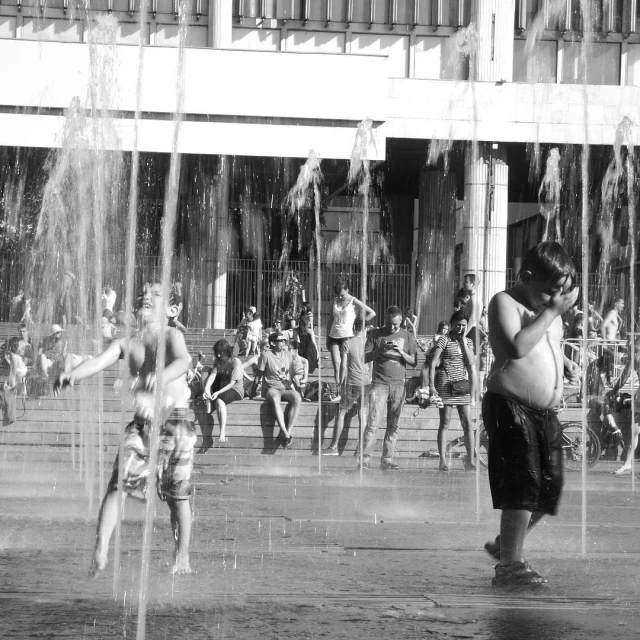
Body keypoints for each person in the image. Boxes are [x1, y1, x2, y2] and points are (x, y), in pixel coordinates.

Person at [53, 282, 195, 576]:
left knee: (176, 495)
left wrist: (162, 374)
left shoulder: (172, 335)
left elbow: (184, 361)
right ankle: (101, 548)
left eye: (156, 294)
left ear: (171, 309)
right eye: (143, 292)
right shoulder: (126, 343)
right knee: (119, 485)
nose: (146, 296)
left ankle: (182, 557)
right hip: (142, 425)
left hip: (176, 423)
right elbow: (97, 362)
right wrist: (73, 375)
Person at [482, 241, 580, 588]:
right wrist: (552, 313)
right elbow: (516, 347)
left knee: (551, 486)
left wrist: (564, 361)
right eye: (549, 293)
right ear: (525, 277)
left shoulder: (544, 311)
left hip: (544, 410)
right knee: (523, 484)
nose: (554, 300)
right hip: (509, 404)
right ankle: (510, 565)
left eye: (561, 295)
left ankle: (504, 545)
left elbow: (546, 343)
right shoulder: (503, 302)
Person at [358, 306, 417, 471]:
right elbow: (364, 358)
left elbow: (413, 361)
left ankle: (387, 459)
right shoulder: (375, 334)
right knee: (373, 423)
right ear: (384, 321)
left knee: (393, 424)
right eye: (389, 324)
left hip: (399, 385)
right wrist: (379, 351)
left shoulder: (408, 336)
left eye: (395, 325)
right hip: (380, 384)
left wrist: (401, 352)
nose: (392, 328)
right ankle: (365, 460)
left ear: (401, 322)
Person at [428, 310, 476, 471]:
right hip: (446, 384)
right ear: (452, 323)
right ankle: (443, 460)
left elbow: (471, 362)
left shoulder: (468, 341)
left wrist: (463, 341)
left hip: (462, 386)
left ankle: (470, 460)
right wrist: (431, 385)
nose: (460, 328)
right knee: (445, 421)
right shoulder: (444, 340)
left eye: (463, 325)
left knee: (468, 423)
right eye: (458, 325)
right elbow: (434, 362)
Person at [322, 317, 370, 456]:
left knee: (341, 413)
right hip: (366, 382)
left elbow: (343, 365)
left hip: (352, 382)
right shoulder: (369, 343)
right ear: (366, 328)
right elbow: (371, 366)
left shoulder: (348, 343)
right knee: (362, 414)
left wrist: (341, 382)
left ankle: (334, 447)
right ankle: (360, 449)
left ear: (355, 327)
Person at [249, 332, 304, 448]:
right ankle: (284, 432)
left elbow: (293, 375)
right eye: (281, 340)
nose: (284, 342)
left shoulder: (288, 355)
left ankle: (287, 433)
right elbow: (258, 375)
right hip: (271, 388)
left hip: (285, 387)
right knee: (275, 398)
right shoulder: (266, 355)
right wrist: (252, 391)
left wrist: (299, 390)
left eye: (285, 340)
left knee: (297, 398)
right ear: (273, 343)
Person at [328, 277, 376, 401]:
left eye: (343, 294)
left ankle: (343, 392)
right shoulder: (334, 301)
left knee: (344, 365)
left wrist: (361, 322)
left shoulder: (353, 300)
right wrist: (327, 336)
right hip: (334, 334)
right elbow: (330, 319)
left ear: (347, 290)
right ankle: (338, 392)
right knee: (336, 364)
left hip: (347, 335)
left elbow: (372, 312)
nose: (341, 297)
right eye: (339, 294)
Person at [202, 339, 244, 443]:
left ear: (226, 351)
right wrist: (206, 388)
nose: (219, 356)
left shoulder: (236, 362)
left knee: (220, 401)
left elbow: (232, 384)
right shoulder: (218, 361)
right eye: (217, 353)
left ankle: (222, 432)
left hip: (236, 390)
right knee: (205, 371)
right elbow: (213, 375)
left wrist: (217, 393)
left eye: (221, 353)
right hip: (223, 389)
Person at [612, 336, 640, 476]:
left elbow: (624, 376)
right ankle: (627, 463)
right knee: (634, 431)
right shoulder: (634, 357)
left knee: (634, 432)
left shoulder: (635, 356)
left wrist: (613, 390)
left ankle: (627, 463)